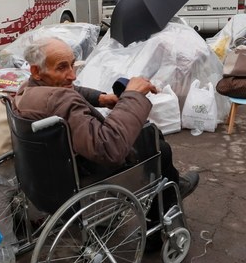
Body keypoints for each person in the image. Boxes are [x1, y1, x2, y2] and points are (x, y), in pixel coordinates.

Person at [13, 37, 199, 210]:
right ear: (36, 71)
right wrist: (132, 96)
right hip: (83, 175)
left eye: (72, 65)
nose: (72, 75)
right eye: (62, 68)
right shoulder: (60, 100)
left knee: (150, 137)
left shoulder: (27, 91)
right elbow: (108, 148)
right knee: (160, 148)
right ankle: (163, 214)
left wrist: (101, 98)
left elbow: (71, 90)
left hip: (45, 177)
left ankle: (172, 184)